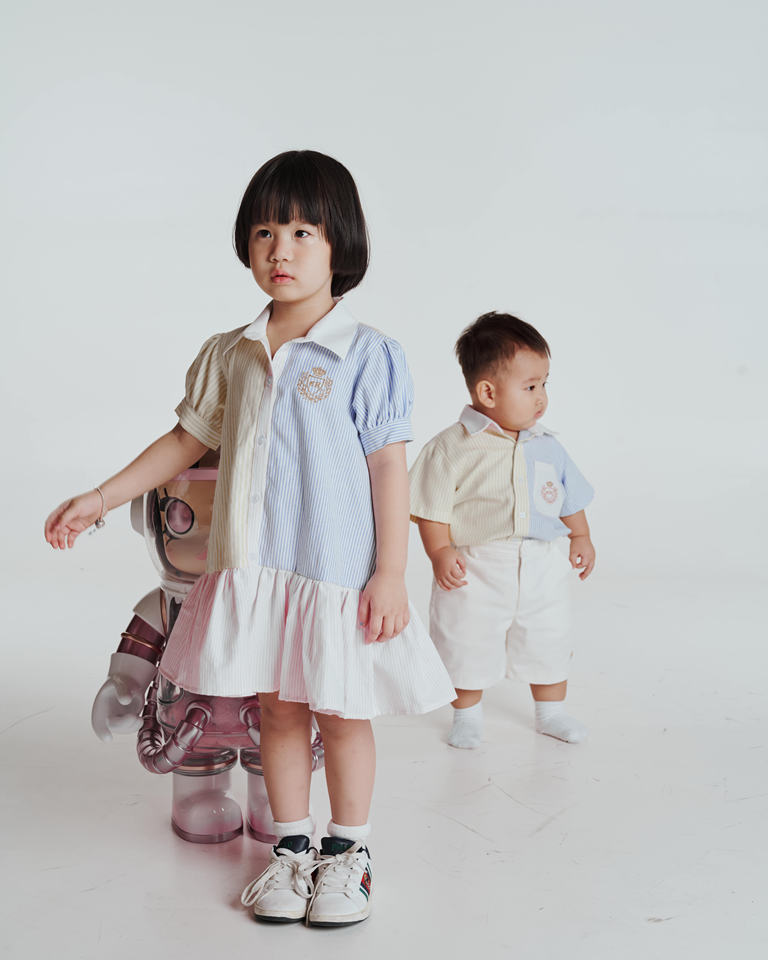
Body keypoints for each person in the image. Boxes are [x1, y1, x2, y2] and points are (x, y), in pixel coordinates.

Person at [45, 150, 455, 927]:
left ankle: (349, 854)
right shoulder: (230, 353)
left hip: (335, 576)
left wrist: (392, 572)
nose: (280, 250)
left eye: (302, 232)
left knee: (341, 712)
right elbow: (183, 441)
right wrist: (101, 496)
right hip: (255, 572)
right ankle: (292, 850)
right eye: (265, 232)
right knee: (278, 711)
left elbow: (388, 468)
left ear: (340, 244)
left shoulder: (368, 353)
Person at [409, 312, 595, 750]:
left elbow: (569, 495)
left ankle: (551, 712)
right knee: (465, 638)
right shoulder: (453, 446)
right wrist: (439, 551)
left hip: (542, 562)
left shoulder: (548, 444)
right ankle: (467, 715)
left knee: (548, 636)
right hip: (477, 564)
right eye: (530, 387)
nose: (541, 397)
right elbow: (431, 506)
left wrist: (580, 536)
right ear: (487, 392)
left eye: (544, 384)